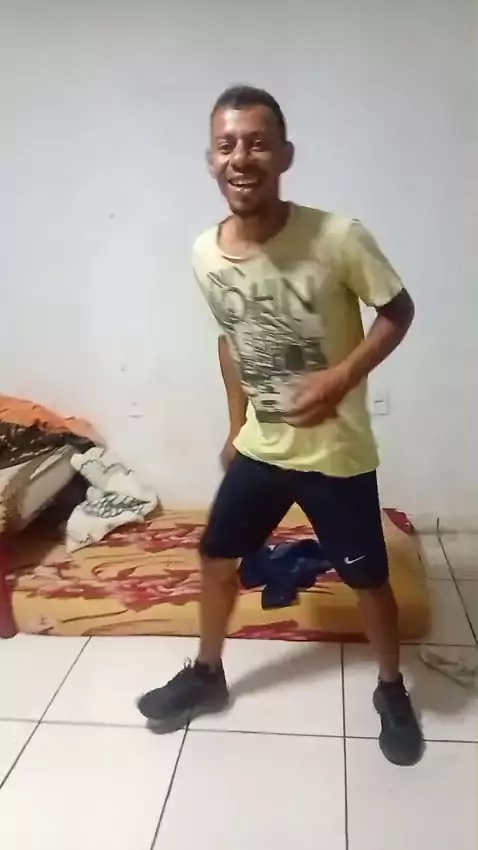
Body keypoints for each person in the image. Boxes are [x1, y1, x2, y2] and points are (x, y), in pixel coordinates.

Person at [138, 85, 423, 766]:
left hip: (335, 452)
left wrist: (338, 379)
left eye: (257, 143)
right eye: (227, 145)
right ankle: (208, 674)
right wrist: (236, 425)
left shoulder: (337, 237)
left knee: (368, 581)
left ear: (284, 155)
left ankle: (391, 689)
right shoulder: (205, 253)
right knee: (215, 560)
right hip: (262, 449)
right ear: (211, 160)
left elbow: (398, 311)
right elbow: (230, 341)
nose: (241, 157)